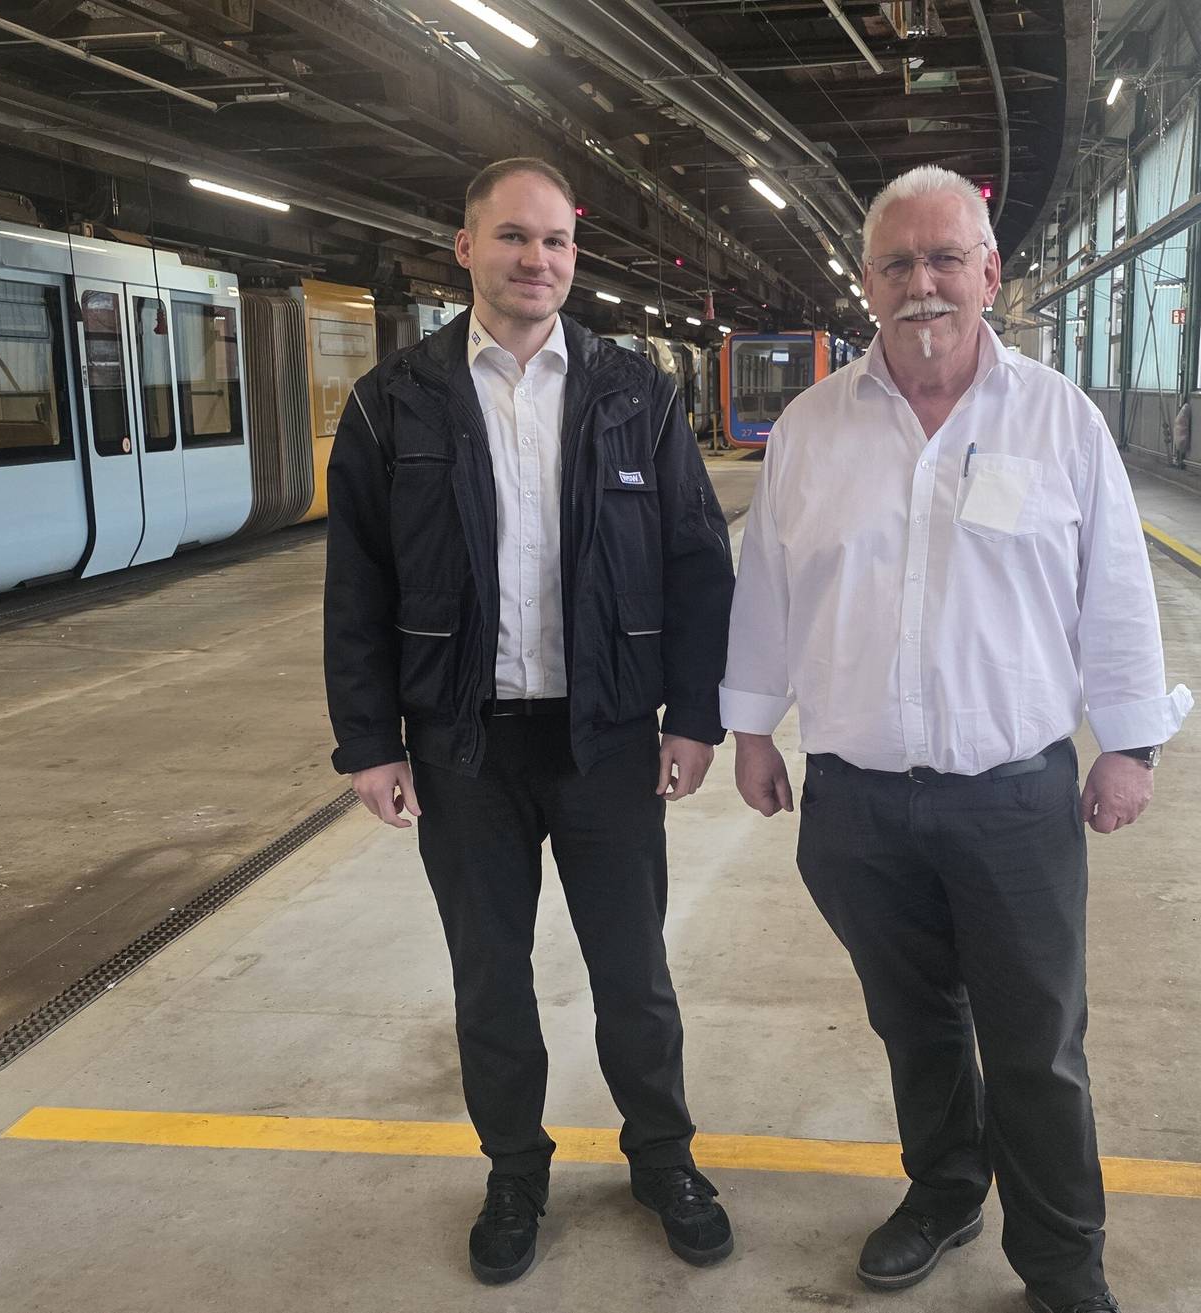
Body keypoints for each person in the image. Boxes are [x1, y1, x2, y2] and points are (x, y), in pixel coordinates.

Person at [721, 164, 1192, 1313]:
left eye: (944, 259)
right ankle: (943, 1189)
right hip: (857, 797)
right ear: (866, 282)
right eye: (897, 262)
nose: (921, 282)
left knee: (1038, 1043)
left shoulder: (1058, 419)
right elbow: (767, 587)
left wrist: (1129, 742)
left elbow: (1115, 586)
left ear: (990, 271)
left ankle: (1063, 1263)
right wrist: (750, 724)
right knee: (914, 1022)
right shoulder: (813, 429)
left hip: (1013, 797)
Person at [323, 156, 737, 1285]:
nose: (536, 260)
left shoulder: (636, 393)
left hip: (606, 737)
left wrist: (696, 715)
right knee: (491, 978)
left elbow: (699, 561)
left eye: (555, 241)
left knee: (634, 974)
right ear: (465, 248)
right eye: (512, 237)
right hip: (463, 746)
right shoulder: (392, 401)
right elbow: (357, 584)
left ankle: (664, 1158)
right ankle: (515, 1170)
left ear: (574, 255)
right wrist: (368, 739)